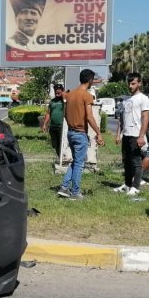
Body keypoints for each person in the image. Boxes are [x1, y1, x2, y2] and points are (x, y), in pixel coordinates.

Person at [57, 69, 105, 200]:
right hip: (80, 133)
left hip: (71, 132)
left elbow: (65, 115)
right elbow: (89, 117)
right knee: (79, 164)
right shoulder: (87, 96)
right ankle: (75, 193)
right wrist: (98, 133)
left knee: (76, 161)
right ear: (90, 80)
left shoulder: (70, 94)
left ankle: (64, 187)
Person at [114, 73, 149, 196]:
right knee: (127, 161)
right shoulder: (126, 99)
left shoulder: (143, 98)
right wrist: (118, 134)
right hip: (126, 135)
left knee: (136, 162)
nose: (130, 86)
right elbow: (122, 119)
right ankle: (127, 184)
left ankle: (136, 187)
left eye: (133, 83)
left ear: (139, 83)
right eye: (129, 83)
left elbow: (145, 118)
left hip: (136, 134)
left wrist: (141, 136)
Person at [40, 84, 65, 159]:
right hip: (53, 126)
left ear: (62, 91)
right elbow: (48, 113)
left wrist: (64, 97)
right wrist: (45, 124)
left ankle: (63, 159)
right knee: (55, 144)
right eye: (56, 92)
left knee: (62, 144)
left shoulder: (65, 101)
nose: (57, 94)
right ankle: (59, 157)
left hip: (61, 126)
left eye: (59, 92)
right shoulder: (52, 102)